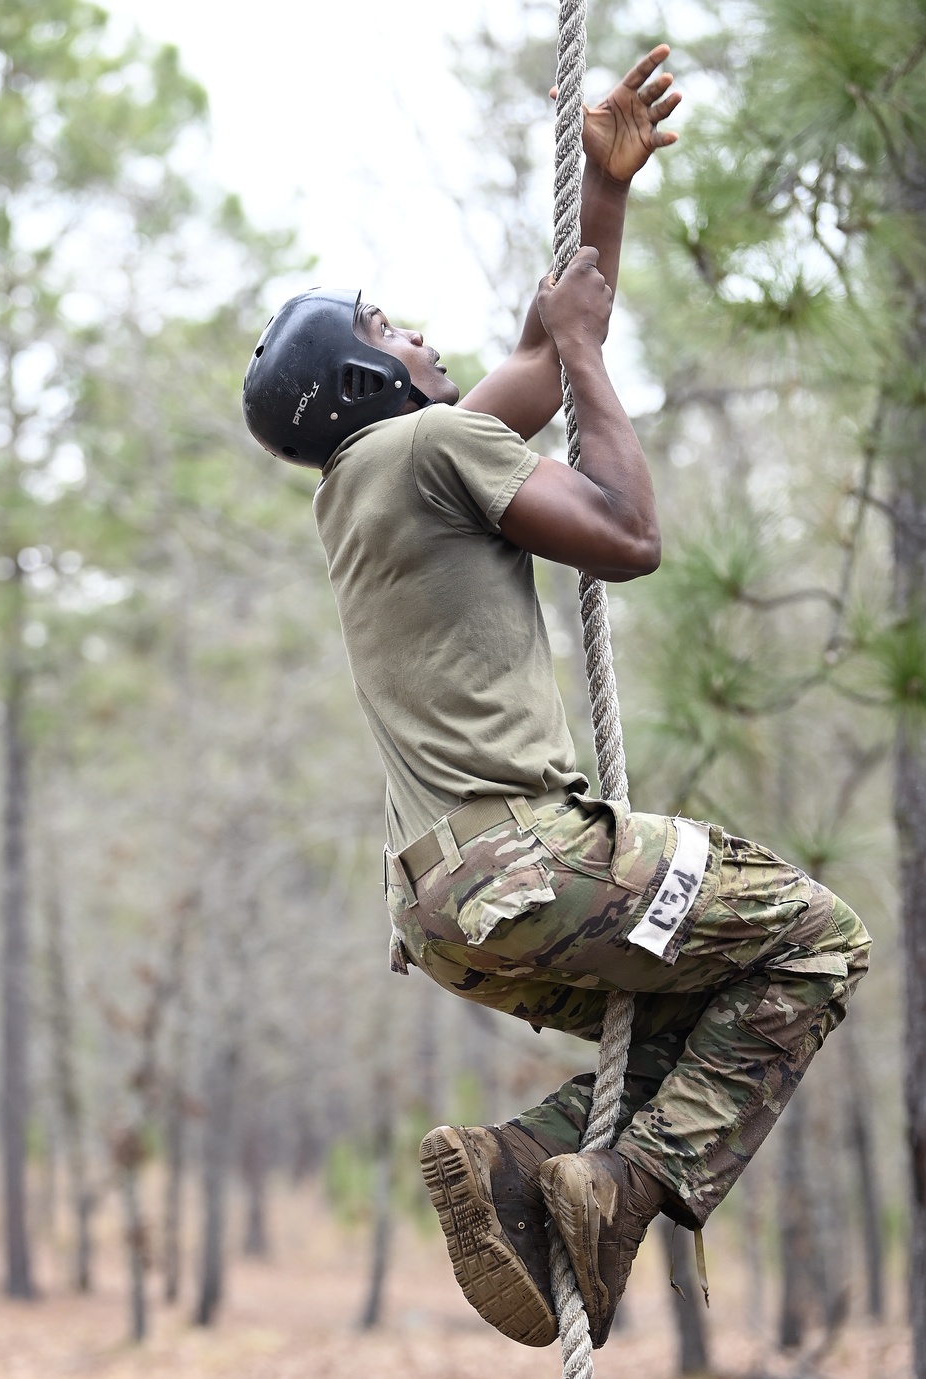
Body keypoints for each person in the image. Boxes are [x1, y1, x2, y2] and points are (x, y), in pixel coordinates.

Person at [241, 45, 870, 1351]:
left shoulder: (367, 481)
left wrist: (606, 185)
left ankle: (527, 1162)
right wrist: (589, 354)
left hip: (452, 913)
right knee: (815, 938)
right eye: (384, 329)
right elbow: (630, 535)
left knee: (717, 1010)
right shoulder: (431, 445)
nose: (411, 328)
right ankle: (622, 1188)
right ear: (368, 382)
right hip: (528, 865)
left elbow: (540, 341)